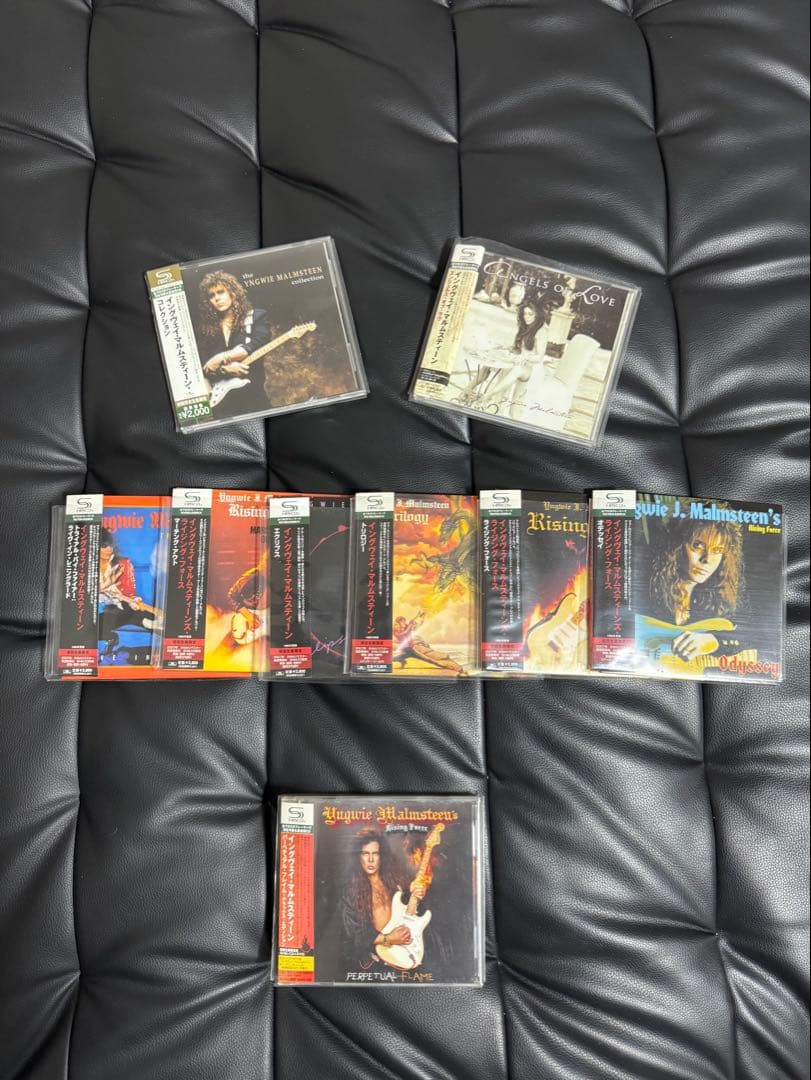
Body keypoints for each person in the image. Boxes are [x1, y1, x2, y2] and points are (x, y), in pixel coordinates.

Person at [644, 519, 747, 662]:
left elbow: (755, 634)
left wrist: (715, 640)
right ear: (677, 546)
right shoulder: (646, 584)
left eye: (717, 550)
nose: (707, 559)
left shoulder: (723, 595)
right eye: (697, 546)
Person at [339, 829, 426, 971]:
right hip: (375, 958)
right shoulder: (351, 892)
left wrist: (415, 896)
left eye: (375, 853)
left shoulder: (395, 883)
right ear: (358, 857)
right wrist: (389, 938)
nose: (371, 860)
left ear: (382, 856)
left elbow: (408, 915)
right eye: (365, 854)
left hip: (402, 950)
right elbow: (354, 934)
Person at [198, 271, 270, 417]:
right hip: (222, 403)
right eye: (211, 295)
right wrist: (225, 370)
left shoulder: (256, 316)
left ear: (233, 293)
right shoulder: (206, 330)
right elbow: (203, 366)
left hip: (253, 397)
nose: (217, 298)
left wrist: (221, 358)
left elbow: (258, 342)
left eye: (220, 292)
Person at [97, 529, 162, 657]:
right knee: (91, 628)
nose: (109, 549)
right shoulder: (86, 567)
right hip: (97, 613)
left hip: (118, 608)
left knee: (127, 609)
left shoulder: (123, 564)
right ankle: (144, 622)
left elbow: (129, 592)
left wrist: (134, 599)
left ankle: (148, 622)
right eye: (104, 546)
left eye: (111, 545)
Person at [392, 612, 466, 674]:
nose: (404, 623)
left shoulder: (405, 627)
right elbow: (404, 633)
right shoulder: (397, 631)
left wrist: (418, 615)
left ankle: (401, 661)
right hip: (408, 649)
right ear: (398, 623)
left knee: (401, 657)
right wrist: (410, 626)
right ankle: (445, 665)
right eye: (402, 622)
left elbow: (412, 621)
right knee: (427, 659)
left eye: (404, 621)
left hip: (409, 649)